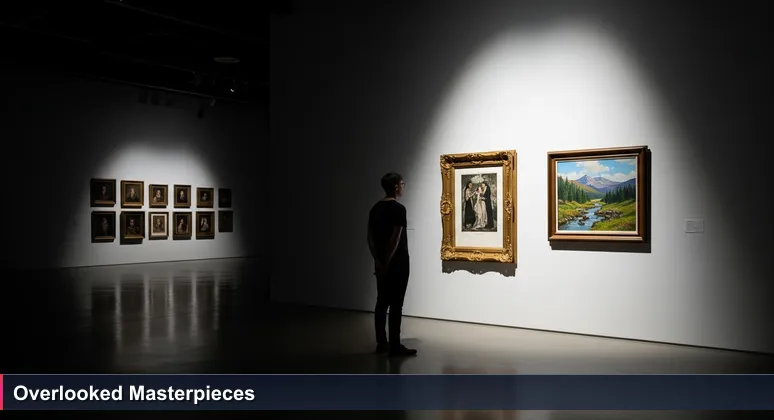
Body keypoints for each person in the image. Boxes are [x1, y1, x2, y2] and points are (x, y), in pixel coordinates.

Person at [367, 172, 417, 357]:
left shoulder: (375, 208)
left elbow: (370, 238)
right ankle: (395, 345)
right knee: (396, 304)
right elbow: (396, 238)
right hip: (398, 263)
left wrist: (378, 262)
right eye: (402, 183)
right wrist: (386, 262)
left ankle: (382, 343)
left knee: (381, 303)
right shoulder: (399, 209)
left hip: (381, 263)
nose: (403, 186)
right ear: (396, 187)